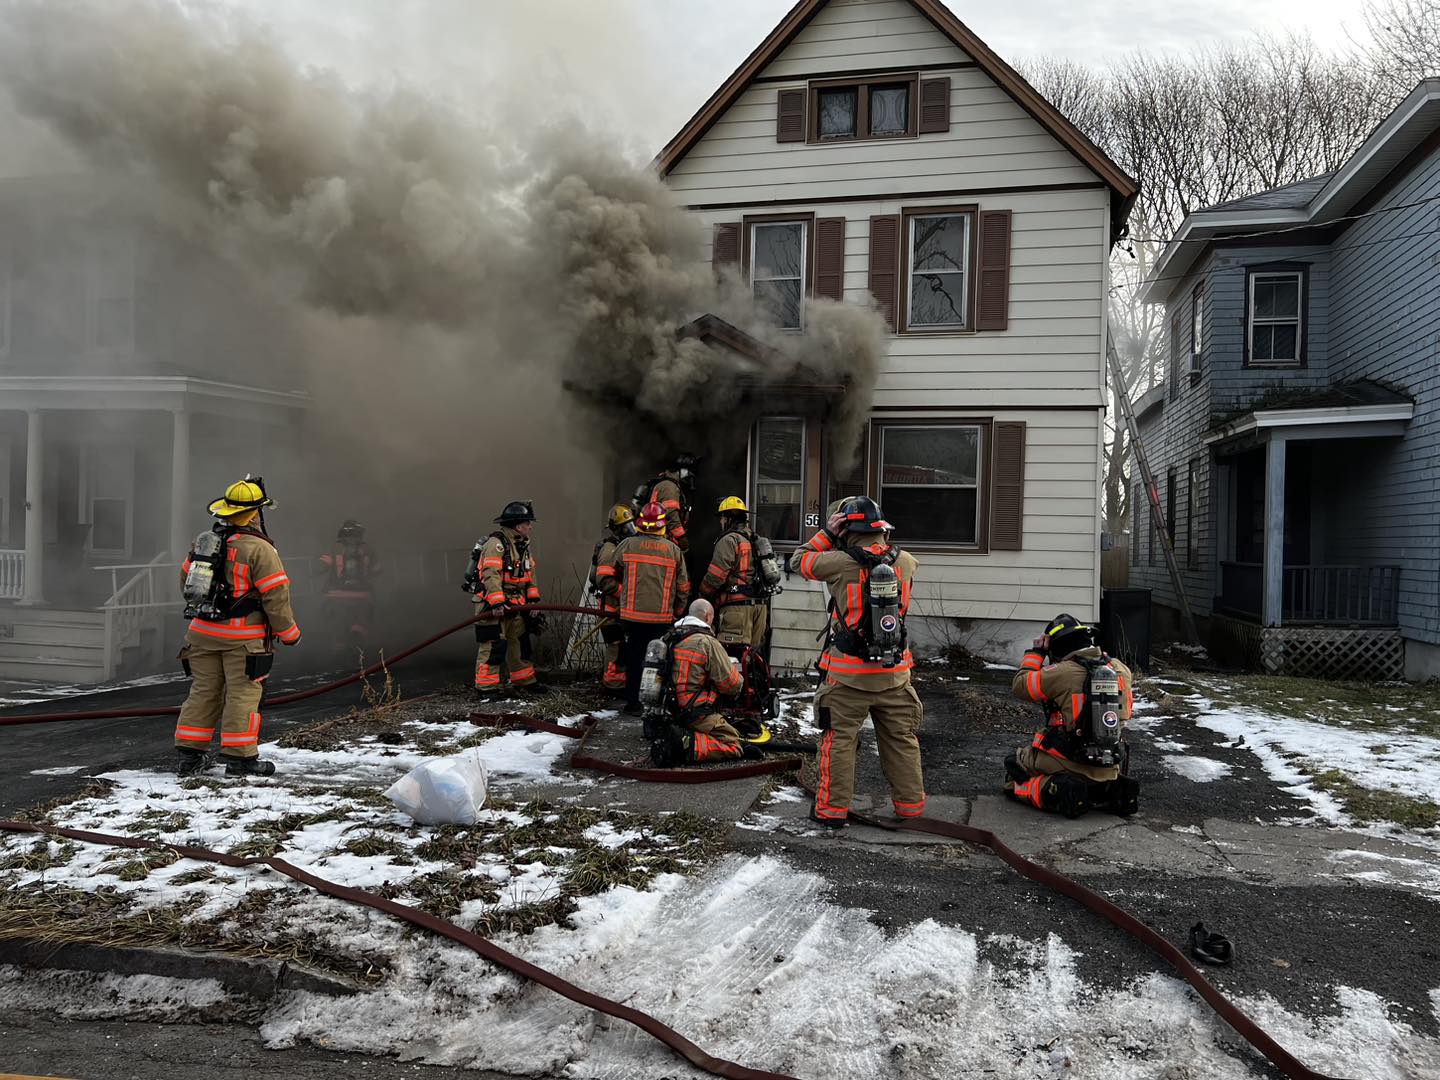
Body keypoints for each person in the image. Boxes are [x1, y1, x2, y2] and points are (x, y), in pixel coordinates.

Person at [789, 497, 925, 827]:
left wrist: (826, 533)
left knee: (839, 743)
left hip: (849, 678)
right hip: (895, 674)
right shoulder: (906, 562)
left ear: (848, 529)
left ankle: (832, 812)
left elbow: (798, 561)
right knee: (901, 740)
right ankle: (910, 809)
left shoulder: (837, 562)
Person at [173, 477, 301, 778]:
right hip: (242, 640)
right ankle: (240, 759)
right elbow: (276, 595)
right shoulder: (259, 549)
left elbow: (185, 583)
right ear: (255, 513)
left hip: (202, 634)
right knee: (242, 695)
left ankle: (190, 758)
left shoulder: (205, 543)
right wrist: (289, 633)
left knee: (204, 691)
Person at [1007, 613, 1139, 818]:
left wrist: (1036, 654)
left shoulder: (1061, 672)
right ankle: (1110, 788)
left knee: (1015, 766)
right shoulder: (1120, 669)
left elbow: (1020, 685)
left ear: (1057, 647)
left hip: (1066, 763)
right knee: (1097, 777)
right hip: (1109, 763)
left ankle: (1055, 790)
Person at [596, 501, 689, 714]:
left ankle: (633, 703)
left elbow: (607, 575)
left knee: (634, 658)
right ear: (662, 524)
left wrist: (624, 594)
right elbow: (683, 587)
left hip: (631, 617)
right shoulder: (673, 551)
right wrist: (678, 611)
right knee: (661, 659)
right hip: (661, 618)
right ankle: (658, 702)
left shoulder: (627, 545)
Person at [649, 599, 749, 765]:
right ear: (708, 617)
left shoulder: (667, 637)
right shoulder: (707, 642)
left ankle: (674, 733)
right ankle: (685, 746)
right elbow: (731, 685)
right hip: (695, 714)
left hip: (667, 711)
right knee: (734, 744)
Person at [466, 501, 547, 696]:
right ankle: (486, 688)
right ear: (518, 525)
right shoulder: (496, 545)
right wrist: (497, 602)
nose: (530, 526)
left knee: (519, 642)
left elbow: (530, 575)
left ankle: (524, 680)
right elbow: (490, 574)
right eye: (528, 523)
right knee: (493, 645)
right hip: (491, 604)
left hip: (514, 603)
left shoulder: (522, 545)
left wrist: (533, 601)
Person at [699, 495, 768, 651]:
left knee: (733, 658)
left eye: (721, 518)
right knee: (752, 657)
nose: (720, 522)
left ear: (727, 518)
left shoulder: (729, 540)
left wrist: (703, 594)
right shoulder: (754, 538)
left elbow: (716, 575)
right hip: (760, 607)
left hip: (738, 610)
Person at [589, 503, 635, 693]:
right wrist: (627, 595)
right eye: (626, 527)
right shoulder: (610, 548)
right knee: (615, 647)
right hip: (611, 609)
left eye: (631, 525)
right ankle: (612, 685)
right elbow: (605, 581)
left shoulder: (624, 545)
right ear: (616, 528)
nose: (630, 530)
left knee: (622, 648)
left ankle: (619, 682)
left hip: (620, 608)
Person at [317, 519, 380, 648]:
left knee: (337, 628)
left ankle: (340, 650)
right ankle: (358, 645)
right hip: (363, 595)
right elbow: (377, 570)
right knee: (362, 622)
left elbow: (319, 568)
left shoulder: (333, 548)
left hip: (335, 595)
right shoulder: (369, 549)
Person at [639, 452, 698, 553]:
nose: (689, 475)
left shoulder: (668, 484)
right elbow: (670, 514)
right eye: (688, 471)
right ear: (679, 470)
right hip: (662, 540)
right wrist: (681, 537)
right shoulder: (669, 487)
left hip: (661, 539)